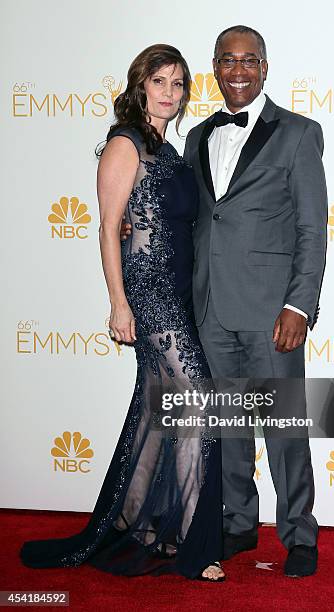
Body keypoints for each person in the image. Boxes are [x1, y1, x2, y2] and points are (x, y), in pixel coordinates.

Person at [121, 25, 328, 578]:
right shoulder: (197, 136)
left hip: (271, 313)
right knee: (228, 426)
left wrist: (299, 305)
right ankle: (238, 522)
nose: (238, 71)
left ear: (264, 67)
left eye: (249, 61)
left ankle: (299, 535)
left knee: (283, 428)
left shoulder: (299, 133)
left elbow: (313, 229)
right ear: (216, 68)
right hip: (209, 308)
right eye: (227, 62)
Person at [19, 44, 225, 582]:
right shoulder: (125, 142)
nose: (170, 93)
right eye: (160, 81)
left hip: (176, 290)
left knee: (159, 412)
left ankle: (139, 524)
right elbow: (110, 228)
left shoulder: (170, 149)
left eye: (179, 84)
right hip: (148, 294)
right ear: (141, 85)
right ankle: (193, 546)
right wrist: (118, 302)